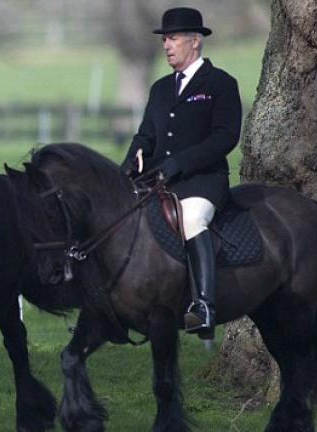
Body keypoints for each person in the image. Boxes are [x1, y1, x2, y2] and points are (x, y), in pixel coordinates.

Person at [121, 7, 242, 338]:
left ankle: (204, 305)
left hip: (202, 182)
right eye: (164, 39)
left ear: (195, 41)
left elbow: (225, 137)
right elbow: (145, 136)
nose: (166, 45)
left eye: (173, 38)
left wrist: (179, 164)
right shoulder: (160, 89)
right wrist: (127, 167)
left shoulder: (220, 84)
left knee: (192, 219)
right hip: (159, 182)